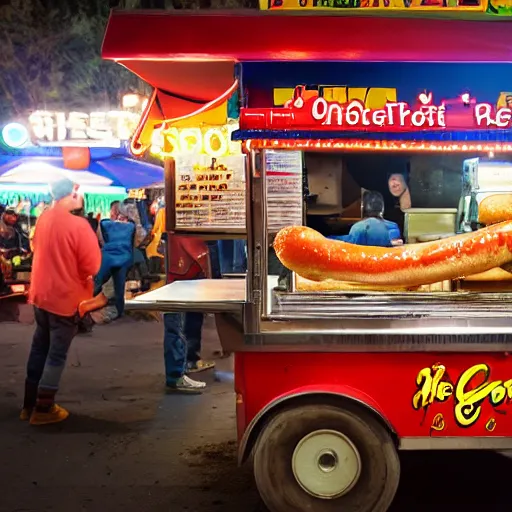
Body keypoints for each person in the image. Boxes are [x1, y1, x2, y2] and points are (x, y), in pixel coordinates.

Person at [21, 178, 101, 425]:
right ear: (74, 192)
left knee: (39, 348)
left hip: (41, 296)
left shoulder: (44, 218)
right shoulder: (78, 225)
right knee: (56, 355)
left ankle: (29, 405)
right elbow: (93, 265)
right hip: (65, 299)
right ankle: (44, 411)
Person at [163, 235, 215, 393]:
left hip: (182, 266)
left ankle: (179, 370)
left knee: (177, 322)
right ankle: (176, 374)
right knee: (176, 324)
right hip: (182, 267)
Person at [94, 203, 136, 319]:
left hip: (108, 258)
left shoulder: (105, 223)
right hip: (124, 257)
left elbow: (102, 239)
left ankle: (91, 304)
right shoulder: (131, 226)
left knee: (97, 281)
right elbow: (133, 243)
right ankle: (119, 310)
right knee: (119, 285)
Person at [330, 191, 402, 247]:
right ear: (382, 208)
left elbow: (348, 242)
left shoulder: (358, 228)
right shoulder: (393, 227)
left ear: (363, 208)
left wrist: (326, 237)